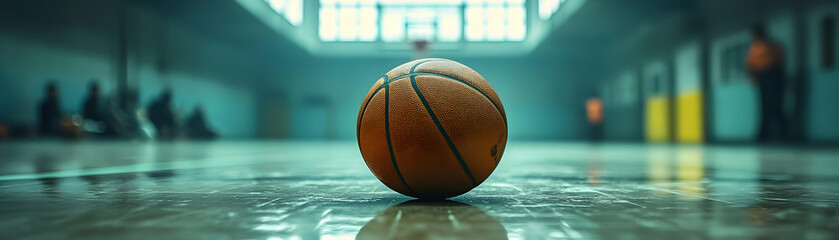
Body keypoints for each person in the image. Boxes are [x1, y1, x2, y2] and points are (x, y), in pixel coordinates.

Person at [746, 24, 788, 142]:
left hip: (773, 78)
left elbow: (779, 63)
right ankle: (765, 135)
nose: (751, 36)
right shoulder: (755, 48)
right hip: (763, 79)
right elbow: (751, 66)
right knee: (765, 108)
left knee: (775, 107)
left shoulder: (768, 47)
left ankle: (781, 134)